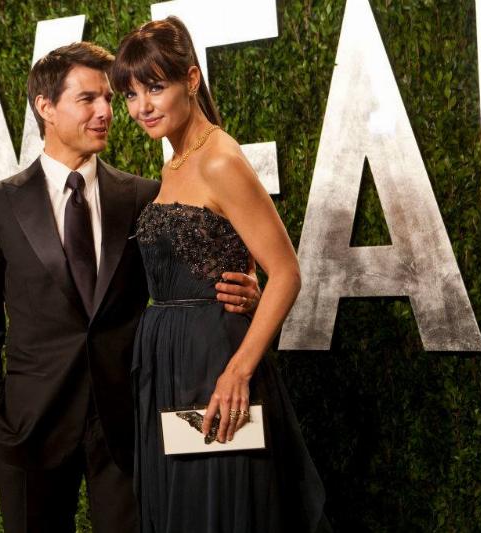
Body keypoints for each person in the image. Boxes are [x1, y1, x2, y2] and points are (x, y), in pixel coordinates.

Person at [0, 41, 261, 533]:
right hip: (29, 426)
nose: (106, 112)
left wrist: (250, 290)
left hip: (127, 424)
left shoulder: (143, 195)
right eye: (88, 99)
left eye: (108, 99)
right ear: (45, 107)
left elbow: (194, 275)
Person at [111, 17, 328, 532]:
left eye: (155, 87)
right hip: (168, 362)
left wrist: (238, 371)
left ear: (190, 79)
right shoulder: (175, 161)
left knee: (222, 507)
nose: (141, 106)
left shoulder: (219, 160)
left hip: (214, 361)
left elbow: (287, 272)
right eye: (131, 93)